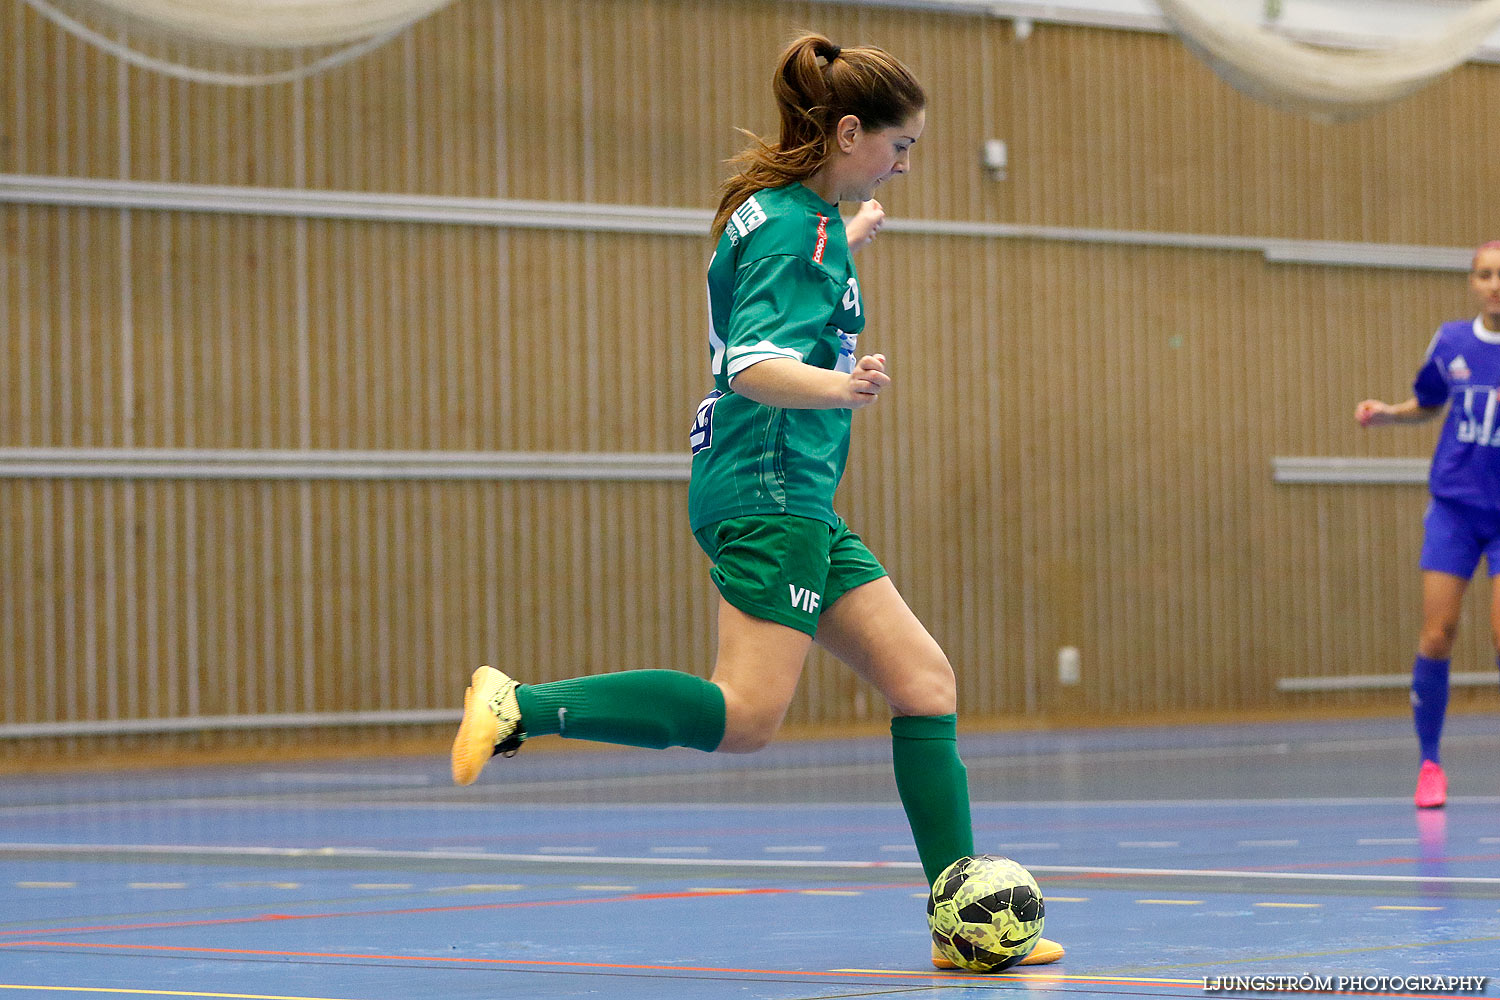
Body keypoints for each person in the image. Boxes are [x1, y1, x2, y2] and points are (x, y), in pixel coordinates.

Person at [450, 32, 1063, 968]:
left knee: (924, 683)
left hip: (794, 492)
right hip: (770, 484)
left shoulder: (787, 216)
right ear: (851, 131)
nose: (904, 167)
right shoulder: (793, 228)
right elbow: (751, 364)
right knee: (744, 717)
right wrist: (841, 388)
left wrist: (843, 245)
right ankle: (521, 704)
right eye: (900, 148)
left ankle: (954, 919)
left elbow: (770, 289)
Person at [1355, 241, 1500, 809]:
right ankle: (1430, 762)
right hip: (1456, 510)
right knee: (1439, 633)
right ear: (1472, 283)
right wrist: (1389, 413)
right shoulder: (1452, 343)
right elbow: (1428, 401)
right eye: (1485, 275)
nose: (1495, 285)